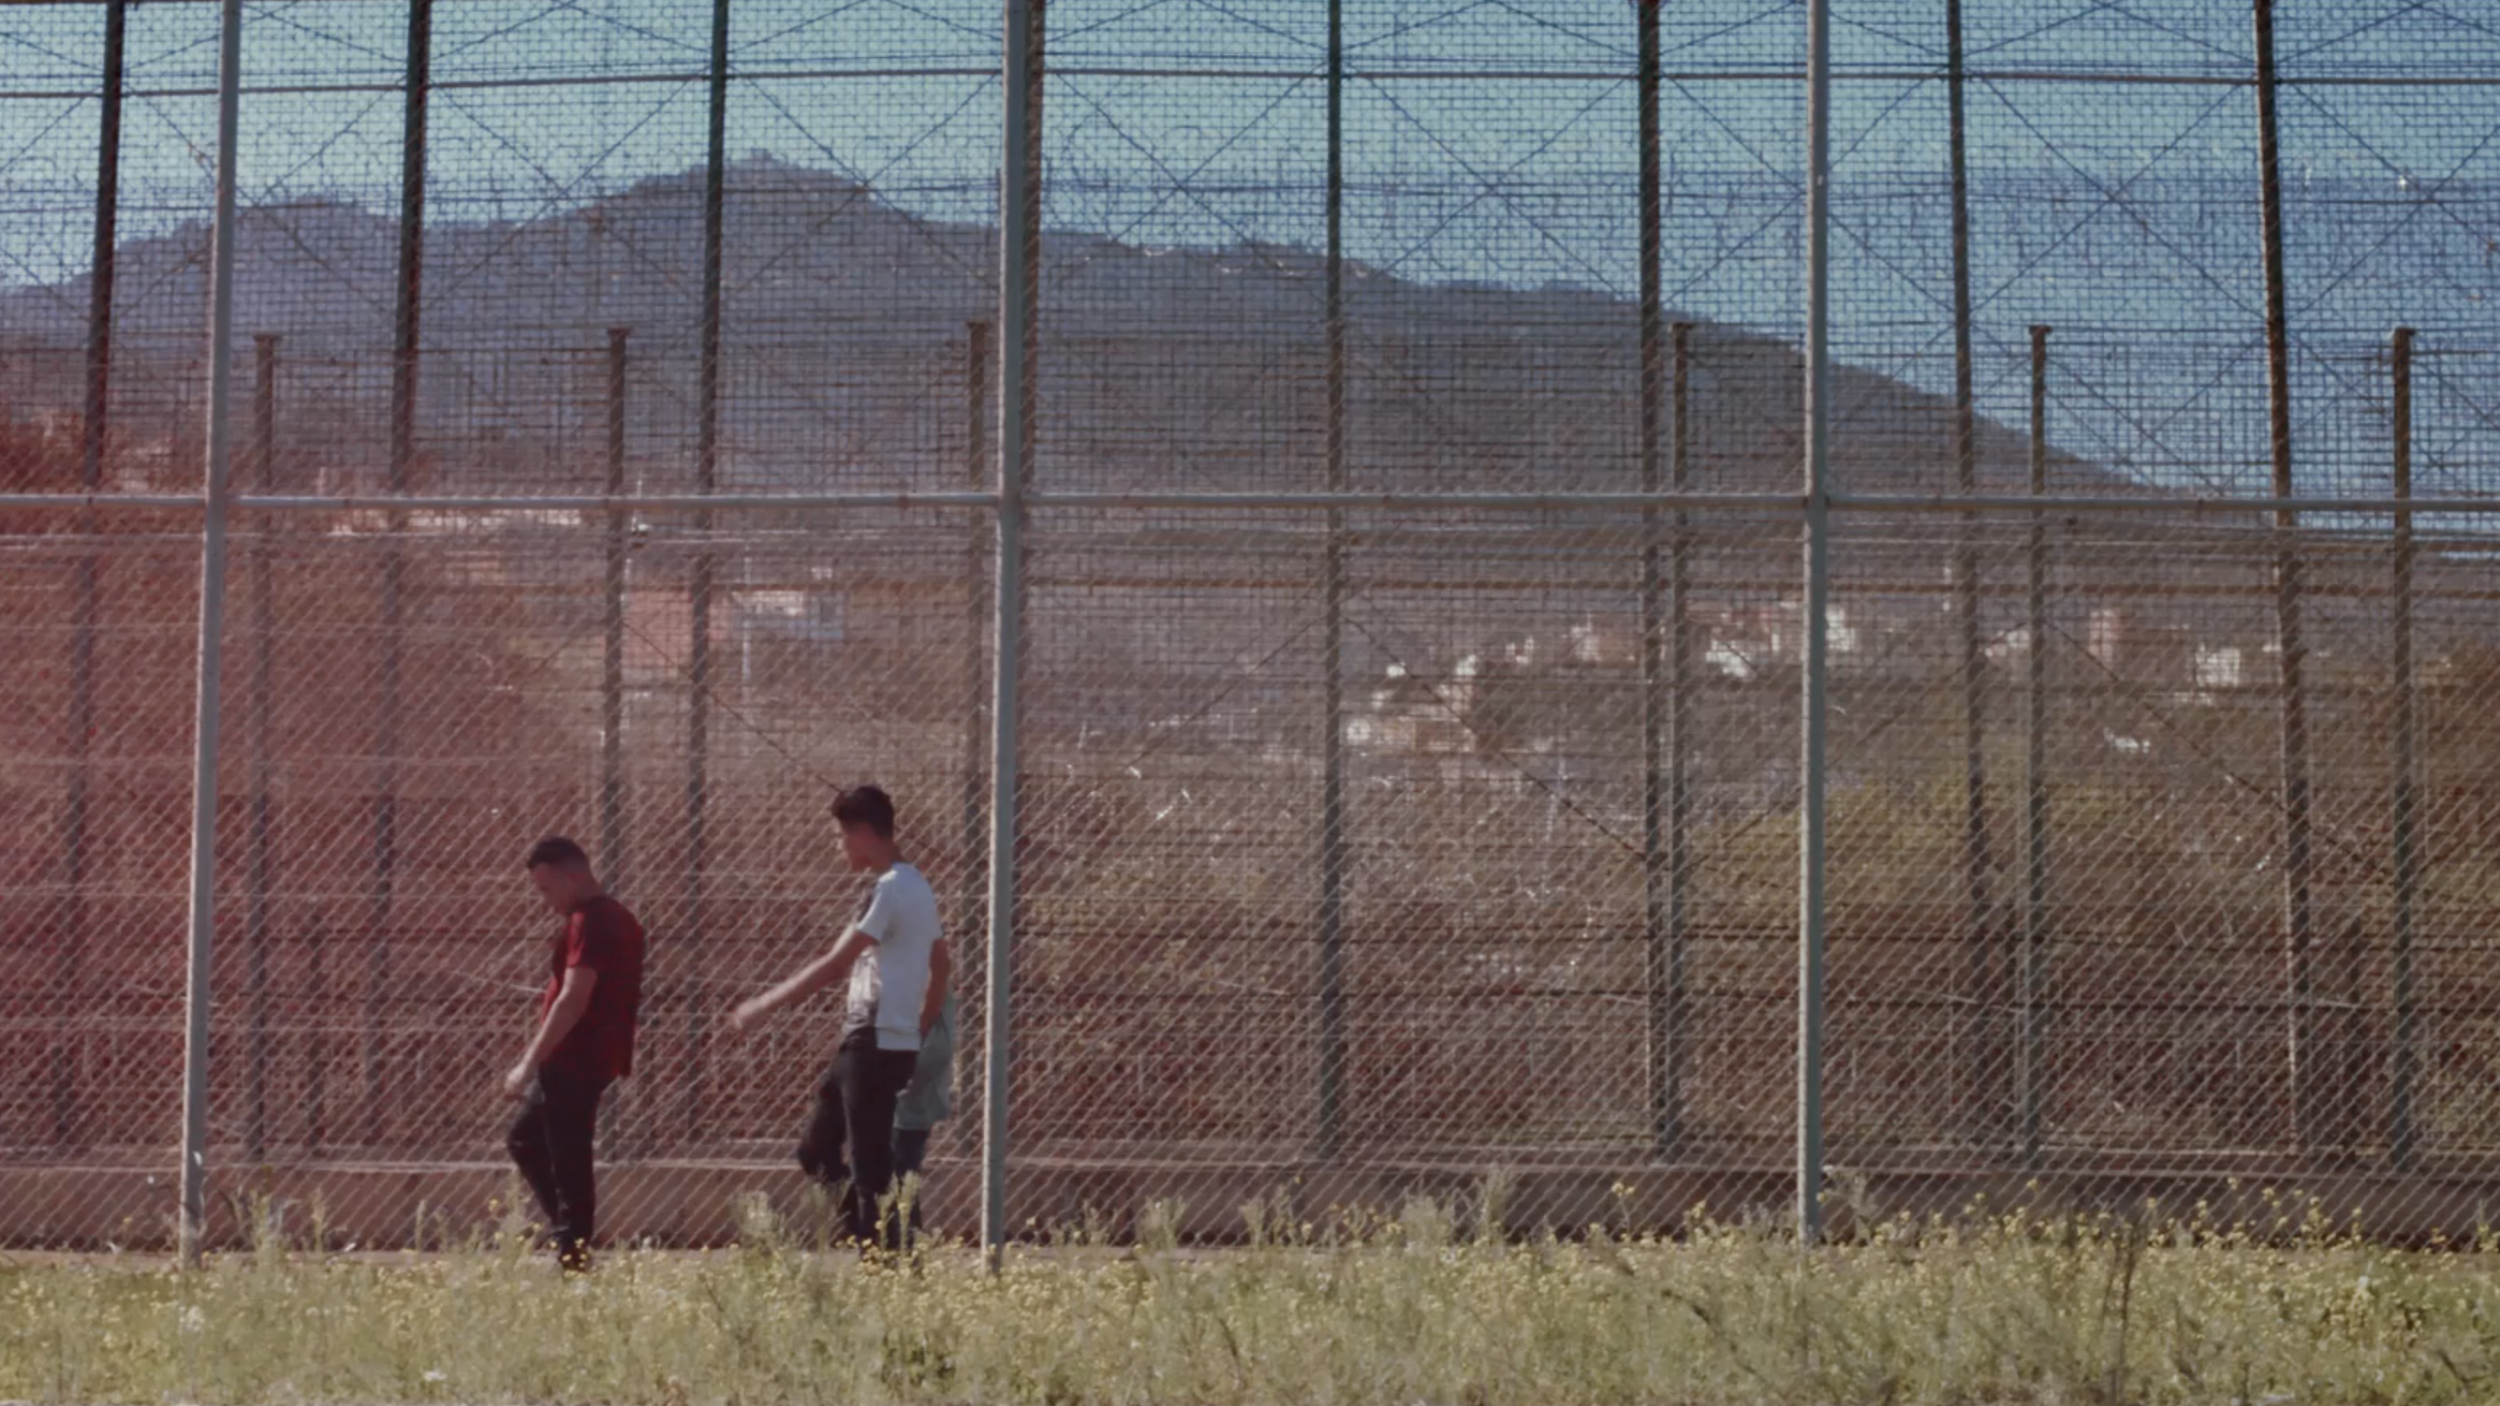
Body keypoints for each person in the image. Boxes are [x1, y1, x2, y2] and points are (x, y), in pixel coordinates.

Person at [730, 786, 950, 1250]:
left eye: (841, 836)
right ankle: (880, 1248)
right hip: (881, 1043)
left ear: (867, 833)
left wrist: (762, 1006)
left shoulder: (889, 889)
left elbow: (835, 965)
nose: (838, 847)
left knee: (871, 1169)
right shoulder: (918, 884)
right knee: (816, 1150)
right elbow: (942, 966)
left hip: (873, 1045)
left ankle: (888, 1269)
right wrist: (918, 1028)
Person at [503, 836, 645, 1273]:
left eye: (547, 889)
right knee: (530, 1139)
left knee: (566, 1155)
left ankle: (574, 1253)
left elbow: (573, 997)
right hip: (591, 1054)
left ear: (572, 875)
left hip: (574, 1056)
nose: (545, 901)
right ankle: (571, 1240)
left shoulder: (590, 921)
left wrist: (527, 1063)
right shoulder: (620, 918)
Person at [890, 988, 958, 1238]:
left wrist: (902, 1076)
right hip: (895, 1092)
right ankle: (904, 1242)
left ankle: (909, 1243)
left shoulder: (929, 977)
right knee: (897, 1172)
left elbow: (938, 1049)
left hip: (908, 1098)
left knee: (902, 1172)